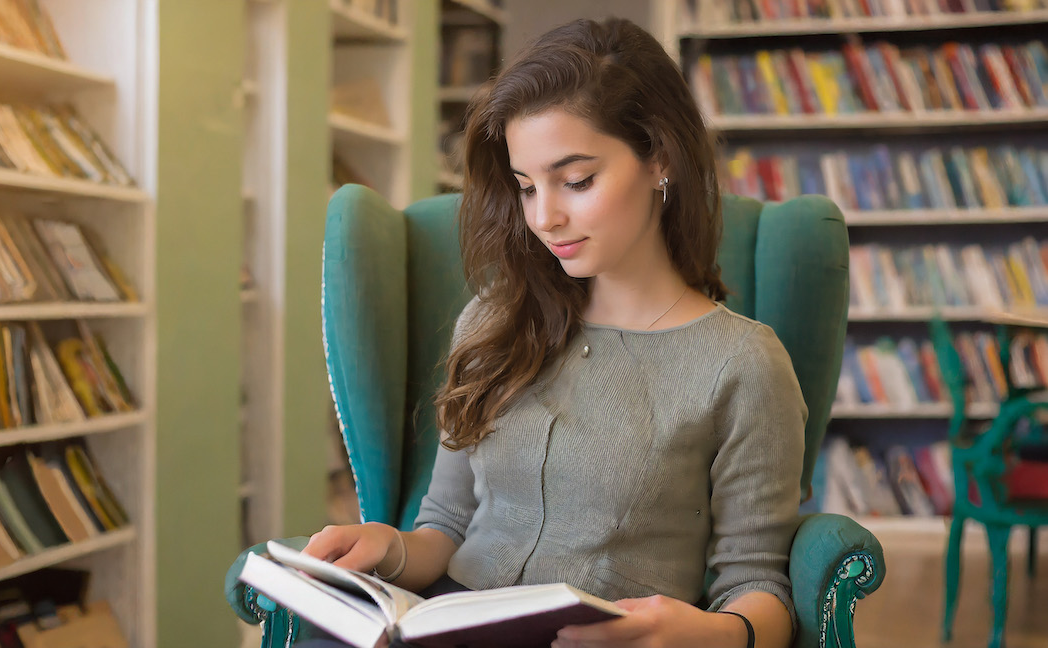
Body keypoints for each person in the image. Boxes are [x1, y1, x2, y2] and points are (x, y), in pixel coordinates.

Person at [297, 16, 806, 648]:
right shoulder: (491, 320)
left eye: (577, 180)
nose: (545, 217)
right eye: (526, 187)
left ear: (661, 159)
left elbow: (758, 584)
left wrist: (707, 633)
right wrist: (387, 548)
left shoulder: (742, 363)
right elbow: (446, 526)